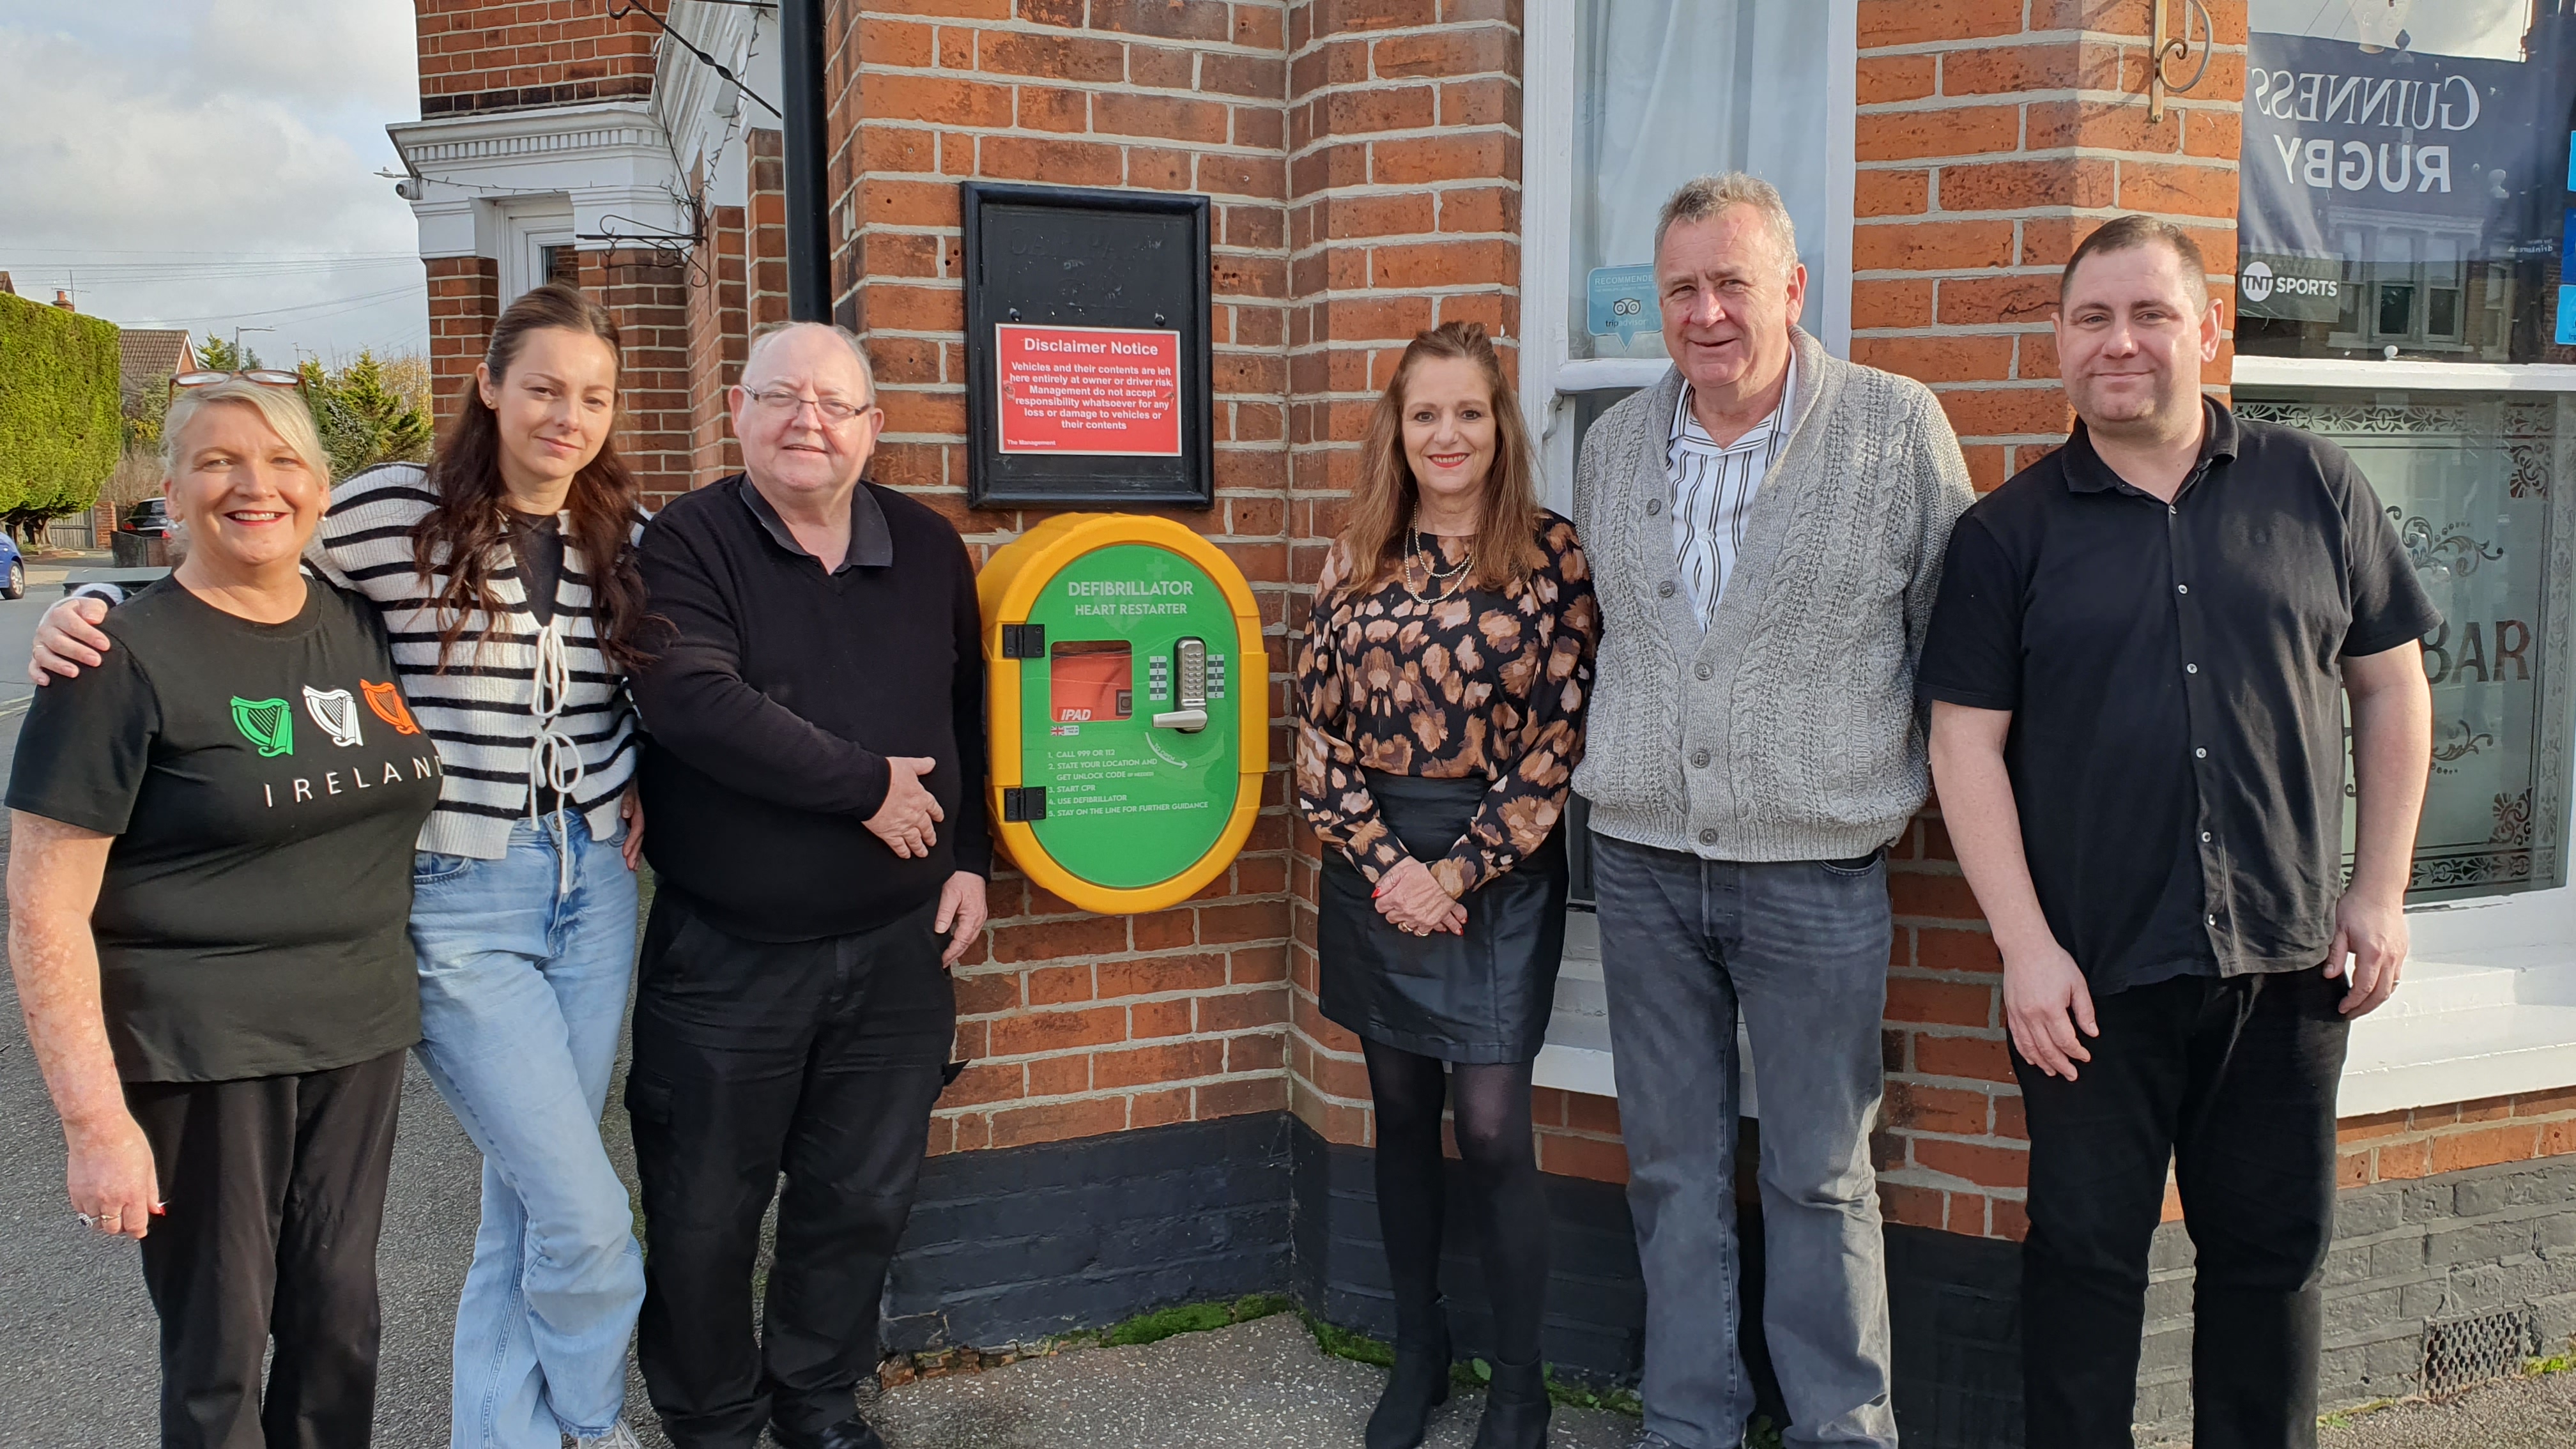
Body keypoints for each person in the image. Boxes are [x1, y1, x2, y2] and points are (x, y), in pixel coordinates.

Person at [35, 284, 657, 1449]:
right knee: (582, 1215)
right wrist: (95, 604)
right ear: (490, 386)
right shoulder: (387, 511)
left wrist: (640, 780)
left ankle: (505, 1435)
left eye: (593, 397)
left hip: (592, 890)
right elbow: (240, 563)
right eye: (542, 388)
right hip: (464, 894)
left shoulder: (622, 530)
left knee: (535, 1195)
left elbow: (656, 684)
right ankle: (589, 1424)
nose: (567, 417)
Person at [1920, 216, 2438, 1449]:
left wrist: (2379, 892)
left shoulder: (2316, 487)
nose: (2121, 343)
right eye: (2093, 318)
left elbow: (2392, 687)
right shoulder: (2005, 536)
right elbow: (1962, 747)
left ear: (2207, 330)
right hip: (2089, 984)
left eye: (2150, 314)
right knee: (2084, 1266)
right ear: (2059, 341)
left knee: (2271, 1263)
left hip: (2287, 964)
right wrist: (2025, 950)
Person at [1571, 173, 1975, 1449]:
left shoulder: (1895, 431)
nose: (1706, 313)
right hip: (1642, 865)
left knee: (1819, 1173)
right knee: (1671, 1172)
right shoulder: (1614, 448)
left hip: (1816, 874)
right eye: (1680, 288)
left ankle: (1841, 1430)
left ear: (1792, 289)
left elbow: (1954, 649)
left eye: (1731, 283)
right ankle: (1687, 1423)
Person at [7, 379, 445, 1448]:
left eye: (284, 461)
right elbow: (42, 909)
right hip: (203, 1053)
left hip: (357, 1035)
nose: (256, 486)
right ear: (171, 490)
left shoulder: (364, 624)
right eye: (219, 462)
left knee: (339, 1326)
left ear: (323, 489)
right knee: (221, 1350)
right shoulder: (115, 659)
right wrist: (93, 1125)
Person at [624, 320, 990, 1449]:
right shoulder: (687, 542)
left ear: (873, 428)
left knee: (859, 1201)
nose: (808, 422)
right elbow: (691, 700)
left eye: (834, 404)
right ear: (738, 410)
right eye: (782, 397)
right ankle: (713, 1422)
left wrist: (972, 858)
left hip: (898, 950)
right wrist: (865, 787)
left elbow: (971, 712)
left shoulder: (928, 549)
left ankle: (817, 1404)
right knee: (702, 1215)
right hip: (728, 957)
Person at [1296, 321, 1598, 1449]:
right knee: (1399, 1112)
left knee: (1493, 1127)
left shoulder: (1553, 556)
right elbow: (1316, 735)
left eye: (1468, 411)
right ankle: (1417, 1354)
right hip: (1374, 867)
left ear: (1500, 424)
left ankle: (1521, 1386)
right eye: (1426, 413)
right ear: (1399, 426)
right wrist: (1391, 868)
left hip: (1497, 871)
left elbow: (1559, 740)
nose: (1447, 434)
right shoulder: (1356, 554)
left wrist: (1456, 871)